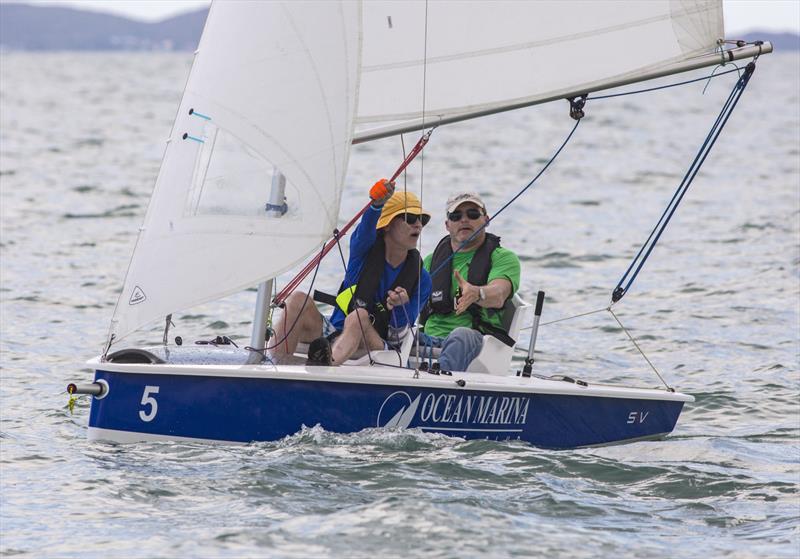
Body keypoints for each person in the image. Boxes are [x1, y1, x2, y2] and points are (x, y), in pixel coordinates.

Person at [270, 180, 432, 366]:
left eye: (422, 220)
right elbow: (364, 231)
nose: (418, 225)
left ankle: (327, 366)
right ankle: (275, 364)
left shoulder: (423, 279)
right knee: (297, 299)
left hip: (379, 345)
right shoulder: (363, 253)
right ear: (387, 225)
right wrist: (376, 205)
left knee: (358, 317)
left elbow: (397, 338)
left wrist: (400, 307)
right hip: (334, 332)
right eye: (410, 218)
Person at [419, 192, 521, 372]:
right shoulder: (430, 261)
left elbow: (499, 294)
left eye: (473, 214)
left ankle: (439, 384)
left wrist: (477, 293)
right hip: (428, 337)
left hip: (476, 339)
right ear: (447, 225)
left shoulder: (503, 258)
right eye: (456, 216)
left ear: (486, 220)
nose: (464, 220)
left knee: (460, 336)